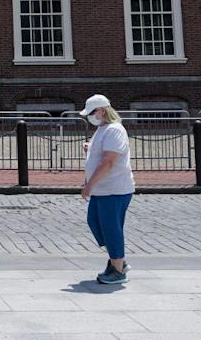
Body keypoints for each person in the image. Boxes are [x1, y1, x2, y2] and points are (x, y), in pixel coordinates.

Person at [80, 94, 135, 285]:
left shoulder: (114, 130)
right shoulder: (103, 129)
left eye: (92, 112)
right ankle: (117, 260)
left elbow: (109, 161)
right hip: (103, 189)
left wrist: (89, 185)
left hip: (114, 188)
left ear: (102, 110)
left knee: (111, 228)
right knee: (95, 222)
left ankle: (118, 269)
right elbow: (103, 154)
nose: (90, 116)